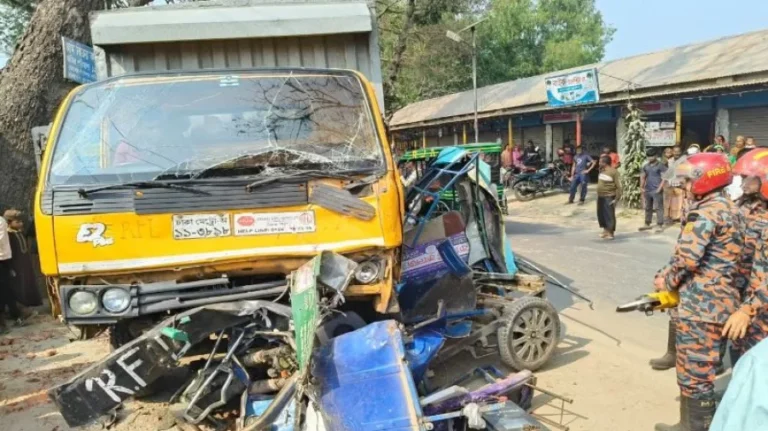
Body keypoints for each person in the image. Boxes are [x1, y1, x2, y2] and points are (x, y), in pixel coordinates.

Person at [653, 153, 742, 431]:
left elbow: (686, 260)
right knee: (702, 369)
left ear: (705, 180)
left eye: (690, 179)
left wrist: (664, 281)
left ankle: (694, 427)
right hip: (720, 302)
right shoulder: (729, 207)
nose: (685, 185)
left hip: (701, 307)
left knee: (694, 374)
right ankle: (692, 424)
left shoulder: (704, 213)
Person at [721, 149, 768, 364]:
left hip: (760, 301)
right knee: (739, 345)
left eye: (751, 178)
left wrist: (749, 308)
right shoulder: (742, 205)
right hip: (743, 290)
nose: (743, 182)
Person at [3, 210, 41, 309]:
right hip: (16, 264)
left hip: (25, 263)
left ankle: (31, 302)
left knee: (28, 282)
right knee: (19, 285)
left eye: (21, 221)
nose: (21, 223)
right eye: (17, 222)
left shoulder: (19, 233)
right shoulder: (8, 235)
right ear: (9, 223)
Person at [639, 149, 666, 233]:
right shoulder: (646, 166)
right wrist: (641, 187)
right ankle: (647, 223)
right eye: (648, 156)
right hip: (648, 189)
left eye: (652, 156)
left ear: (656, 156)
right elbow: (643, 176)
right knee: (648, 207)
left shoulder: (661, 165)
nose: (650, 158)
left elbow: (665, 178)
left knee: (658, 207)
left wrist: (660, 188)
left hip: (657, 189)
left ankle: (660, 224)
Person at [596, 155, 621, 239]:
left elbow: (619, 186)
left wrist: (616, 199)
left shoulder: (614, 172)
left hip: (609, 196)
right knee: (601, 214)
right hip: (601, 196)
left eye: (600, 161)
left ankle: (611, 232)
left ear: (604, 163)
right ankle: (605, 231)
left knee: (609, 215)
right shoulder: (601, 170)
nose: (599, 163)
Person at [662, 148, 683, 225]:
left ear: (680, 152)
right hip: (669, 185)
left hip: (679, 185)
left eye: (678, 151)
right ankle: (667, 218)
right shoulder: (667, 162)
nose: (677, 153)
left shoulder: (683, 161)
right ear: (672, 152)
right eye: (675, 151)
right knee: (668, 203)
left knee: (679, 203)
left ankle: (677, 217)